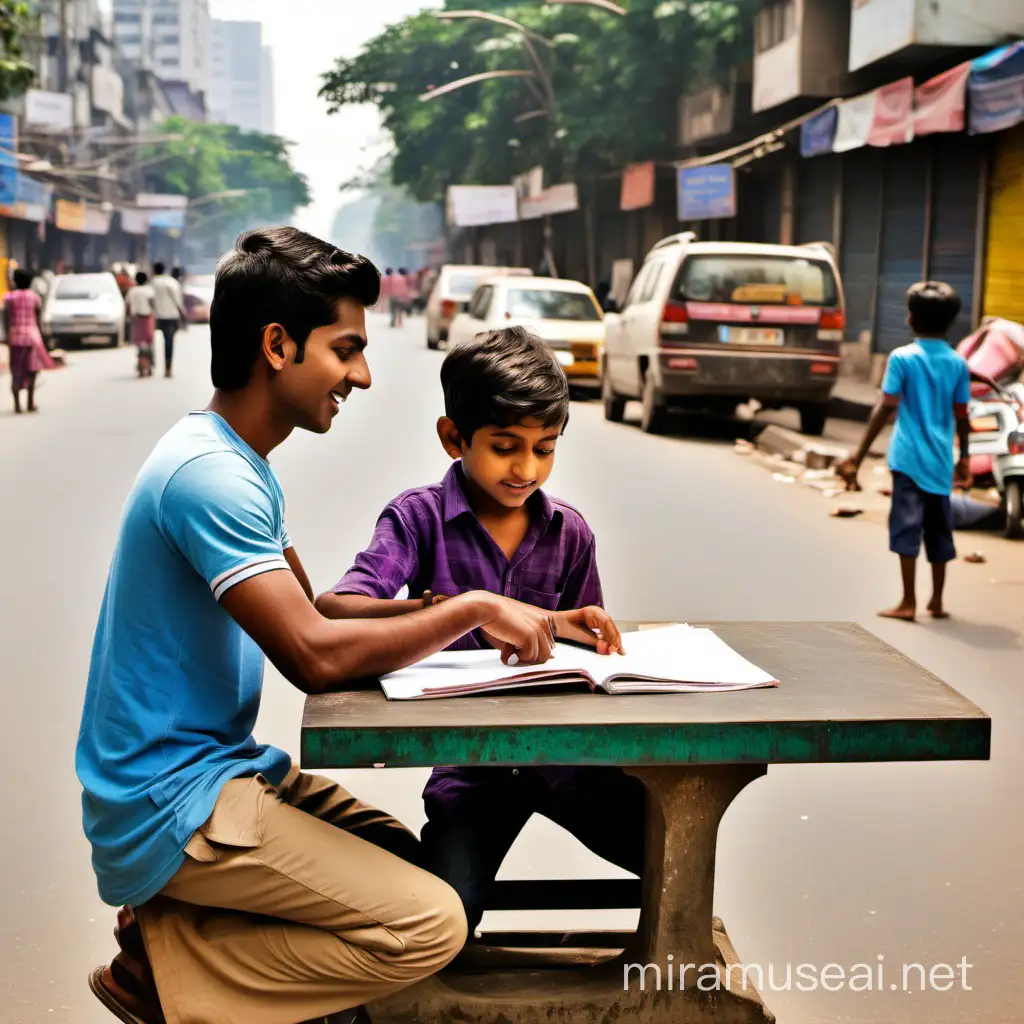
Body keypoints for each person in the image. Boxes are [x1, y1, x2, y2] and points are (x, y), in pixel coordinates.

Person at [77, 227, 562, 1024]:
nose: (362, 376)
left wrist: (506, 610)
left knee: (414, 864)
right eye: (345, 350)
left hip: (224, 772)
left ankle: (180, 933)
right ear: (277, 344)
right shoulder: (210, 480)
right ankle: (166, 968)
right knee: (430, 922)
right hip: (172, 801)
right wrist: (475, 607)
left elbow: (325, 607)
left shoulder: (240, 463)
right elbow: (312, 652)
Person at [316, 326, 643, 940]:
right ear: (452, 438)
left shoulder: (569, 533)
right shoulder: (418, 520)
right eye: (505, 446)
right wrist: (458, 607)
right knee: (444, 921)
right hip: (469, 768)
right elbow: (336, 609)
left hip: (568, 760)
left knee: (669, 861)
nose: (527, 468)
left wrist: (572, 630)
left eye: (545, 448)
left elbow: (585, 663)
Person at [837, 281, 971, 622]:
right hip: (941, 461)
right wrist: (964, 458)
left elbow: (885, 408)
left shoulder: (902, 358)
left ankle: (908, 601)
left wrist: (859, 454)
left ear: (912, 318)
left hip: (908, 458)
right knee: (940, 530)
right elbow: (961, 415)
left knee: (906, 528)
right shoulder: (957, 363)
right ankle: (937, 601)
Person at [3, 267, 54, 413]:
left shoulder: (9, 298)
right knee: (32, 369)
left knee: (16, 370)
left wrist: (7, 336)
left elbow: (6, 319)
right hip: (32, 338)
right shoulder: (34, 297)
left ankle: (17, 405)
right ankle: (30, 402)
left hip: (15, 338)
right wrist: (43, 338)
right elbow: (38, 319)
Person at [151, 261, 187, 378]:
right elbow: (177, 301)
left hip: (157, 316)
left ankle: (150, 364)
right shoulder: (172, 282)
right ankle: (168, 367)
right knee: (169, 342)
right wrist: (183, 314)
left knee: (149, 341)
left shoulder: (152, 283)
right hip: (171, 316)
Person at [126, 271, 156, 377]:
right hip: (147, 318)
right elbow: (153, 305)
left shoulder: (132, 291)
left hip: (136, 319)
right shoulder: (149, 291)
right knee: (149, 342)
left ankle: (141, 364)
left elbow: (128, 306)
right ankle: (150, 363)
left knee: (139, 343)